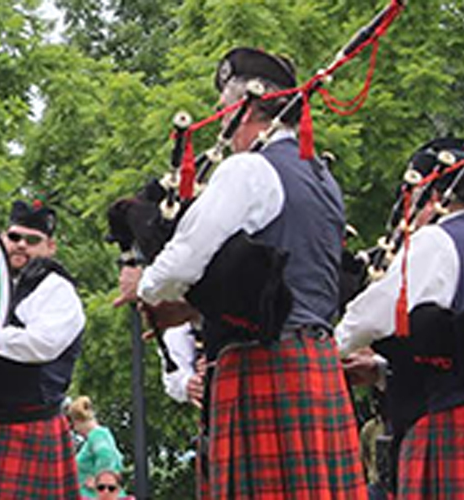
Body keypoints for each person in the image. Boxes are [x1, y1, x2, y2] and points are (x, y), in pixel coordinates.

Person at [118, 47, 364, 498]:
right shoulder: (323, 180)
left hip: (263, 363)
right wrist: (194, 306)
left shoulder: (249, 169)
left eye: (222, 109)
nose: (220, 125)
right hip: (316, 359)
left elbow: (183, 259)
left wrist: (145, 286)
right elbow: (265, 276)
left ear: (244, 109)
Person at [338, 138, 464, 499]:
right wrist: (382, 370)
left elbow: (371, 316)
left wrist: (328, 349)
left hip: (451, 421)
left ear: (433, 196)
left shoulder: (437, 240)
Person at [0, 199, 88, 499]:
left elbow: (43, 343)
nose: (21, 245)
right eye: (14, 237)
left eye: (32, 240)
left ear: (50, 247)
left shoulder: (55, 289)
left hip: (25, 431)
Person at [68, 397, 124, 498]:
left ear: (79, 421)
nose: (75, 429)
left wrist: (98, 482)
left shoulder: (97, 435)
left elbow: (107, 456)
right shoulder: (97, 437)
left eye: (74, 424)